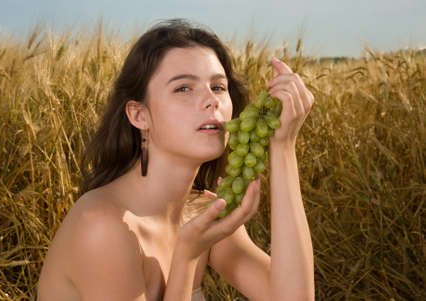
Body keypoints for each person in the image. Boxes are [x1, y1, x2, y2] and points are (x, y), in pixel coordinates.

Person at [37, 19, 315, 301]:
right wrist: (186, 256)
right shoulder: (102, 227)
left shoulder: (199, 212)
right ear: (138, 115)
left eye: (218, 87)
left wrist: (283, 146)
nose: (211, 100)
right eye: (183, 88)